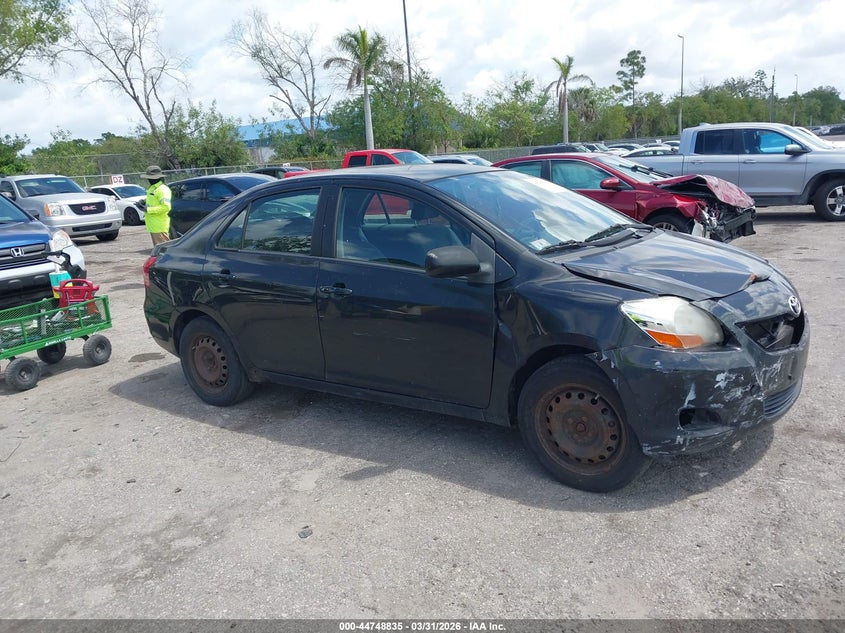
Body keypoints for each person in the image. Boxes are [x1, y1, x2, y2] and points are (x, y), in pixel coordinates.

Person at [141, 165, 172, 247]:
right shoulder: (152, 188)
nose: (148, 180)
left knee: (163, 252)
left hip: (159, 226)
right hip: (154, 226)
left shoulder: (162, 189)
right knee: (160, 251)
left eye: (150, 178)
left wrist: (148, 209)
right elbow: (153, 201)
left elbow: (166, 207)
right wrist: (143, 202)